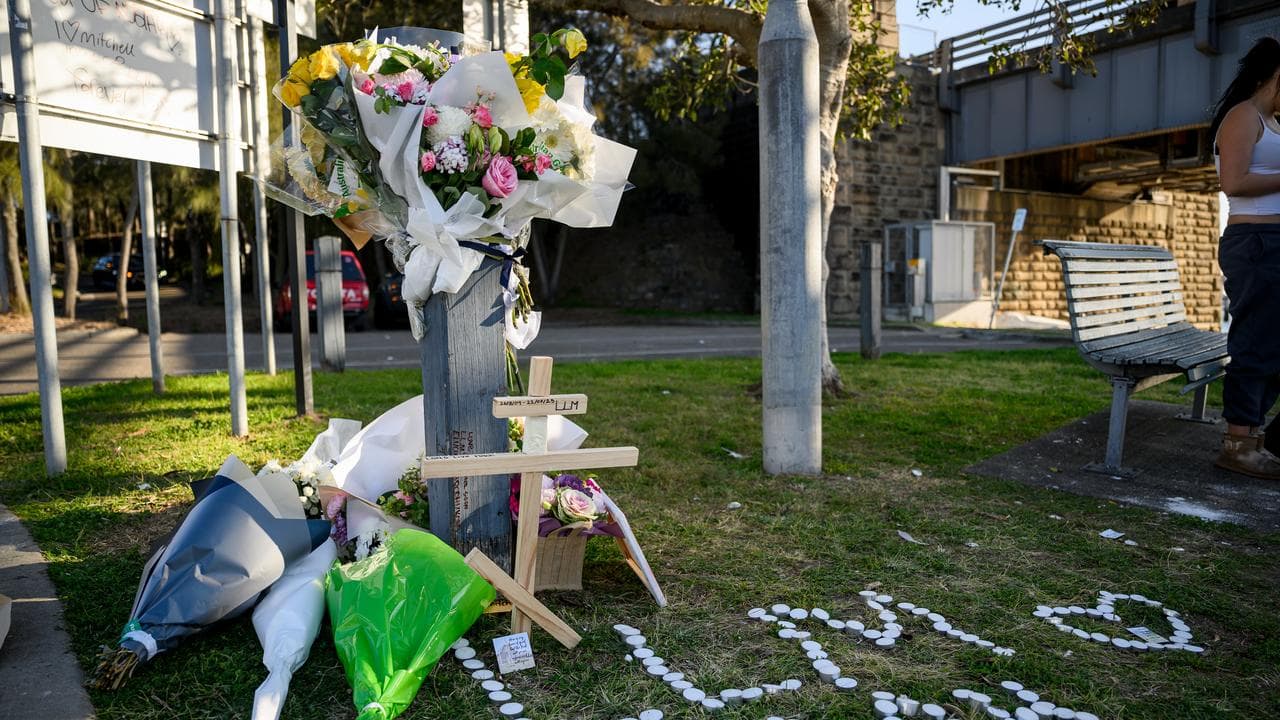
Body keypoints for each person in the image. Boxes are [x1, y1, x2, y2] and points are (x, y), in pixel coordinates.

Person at [1210, 36, 1280, 479]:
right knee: (1255, 340)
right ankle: (1238, 444)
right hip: (1255, 243)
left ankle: (1258, 438)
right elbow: (1233, 182)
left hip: (1272, 242)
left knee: (1273, 342)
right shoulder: (1243, 116)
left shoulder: (1273, 122)